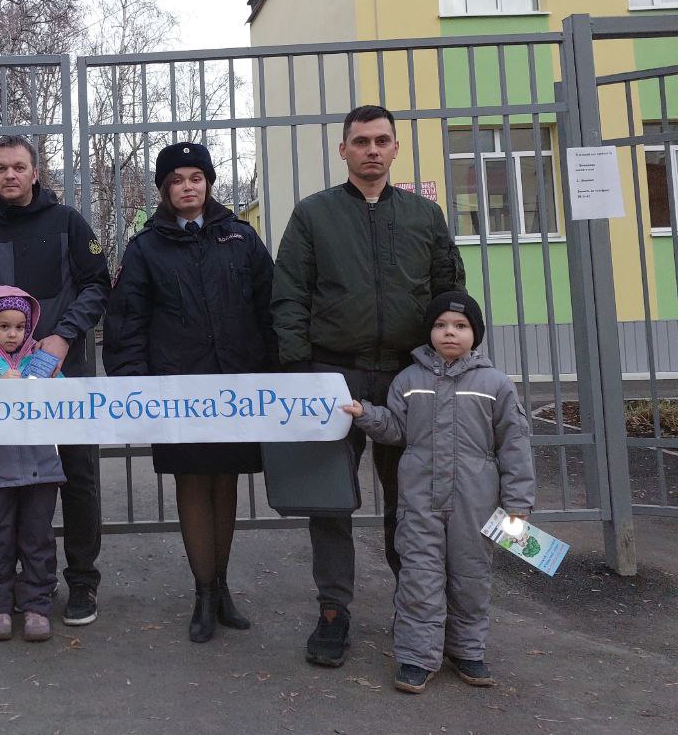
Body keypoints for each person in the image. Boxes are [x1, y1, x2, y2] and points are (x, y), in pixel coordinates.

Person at [271, 104, 465, 669]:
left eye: (382, 141)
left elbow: (450, 290)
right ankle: (334, 611)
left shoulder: (424, 216)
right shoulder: (313, 215)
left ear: (396, 148)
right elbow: (290, 295)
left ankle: (417, 608)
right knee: (329, 499)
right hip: (335, 376)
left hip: (410, 376)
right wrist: (300, 369)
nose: (372, 151)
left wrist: (442, 359)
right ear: (344, 150)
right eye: (361, 142)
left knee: (411, 502)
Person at [103, 141, 277, 643]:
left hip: (234, 386)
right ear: (164, 189)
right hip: (175, 390)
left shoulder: (241, 239)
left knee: (226, 483)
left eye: (195, 178)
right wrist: (134, 384)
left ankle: (222, 588)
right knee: (192, 484)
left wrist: (277, 371)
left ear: (208, 184)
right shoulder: (145, 248)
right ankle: (202, 591)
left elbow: (269, 306)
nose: (187, 187)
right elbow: (126, 321)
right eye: (177, 180)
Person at [0, 134, 110, 626]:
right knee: (3, 488)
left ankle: (81, 581)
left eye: (19, 166)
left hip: (65, 380)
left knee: (77, 478)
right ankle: (2, 587)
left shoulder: (68, 223)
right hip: (0, 392)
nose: (11, 176)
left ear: (36, 172)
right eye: (1, 168)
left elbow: (97, 284)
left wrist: (63, 336)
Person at [341, 291, 535, 693]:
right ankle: (416, 656)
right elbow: (397, 429)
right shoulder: (409, 381)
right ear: (429, 331)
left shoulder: (495, 384)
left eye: (461, 326)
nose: (450, 333)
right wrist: (368, 416)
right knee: (420, 577)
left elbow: (514, 444)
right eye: (441, 325)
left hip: (476, 504)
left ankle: (467, 650)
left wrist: (518, 505)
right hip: (419, 502)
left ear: (475, 334)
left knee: (471, 577)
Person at [0, 286, 67, 643]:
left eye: (19, 327)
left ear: (29, 327)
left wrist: (49, 385)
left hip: (43, 467)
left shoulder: (44, 364)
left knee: (39, 538)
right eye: (4, 326)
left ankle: (37, 605)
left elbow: (67, 406)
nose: (12, 334)